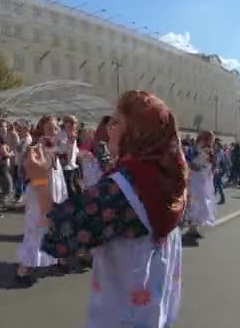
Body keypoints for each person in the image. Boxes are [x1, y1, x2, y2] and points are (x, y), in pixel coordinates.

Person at [26, 90, 183, 327]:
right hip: (152, 310)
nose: (110, 128)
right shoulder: (169, 178)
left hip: (122, 313)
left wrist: (38, 180)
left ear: (136, 133)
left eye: (117, 123)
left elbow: (61, 234)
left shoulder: (123, 189)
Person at [15, 115, 70, 288]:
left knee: (55, 224)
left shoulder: (54, 147)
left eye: (55, 129)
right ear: (41, 129)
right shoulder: (36, 147)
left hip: (55, 187)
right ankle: (24, 269)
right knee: (37, 226)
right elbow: (30, 170)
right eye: (49, 129)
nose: (53, 132)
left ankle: (60, 259)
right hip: (40, 190)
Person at [186, 130, 216, 240]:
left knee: (199, 203)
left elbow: (197, 165)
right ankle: (193, 228)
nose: (212, 141)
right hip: (198, 180)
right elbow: (196, 165)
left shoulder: (206, 150)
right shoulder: (200, 149)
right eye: (211, 138)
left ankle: (194, 228)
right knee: (197, 203)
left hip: (201, 179)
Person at [58, 115, 79, 197]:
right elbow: (61, 150)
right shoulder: (62, 134)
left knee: (75, 187)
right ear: (66, 124)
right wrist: (70, 142)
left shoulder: (72, 134)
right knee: (69, 189)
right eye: (72, 123)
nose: (74, 125)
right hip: (65, 166)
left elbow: (75, 149)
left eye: (75, 123)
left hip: (72, 165)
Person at [213, 140, 228, 204]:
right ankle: (222, 198)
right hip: (219, 171)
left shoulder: (220, 153)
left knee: (215, 185)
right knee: (218, 185)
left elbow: (219, 162)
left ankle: (213, 199)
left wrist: (219, 169)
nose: (214, 147)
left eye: (215, 146)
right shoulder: (219, 152)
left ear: (219, 146)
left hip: (218, 171)